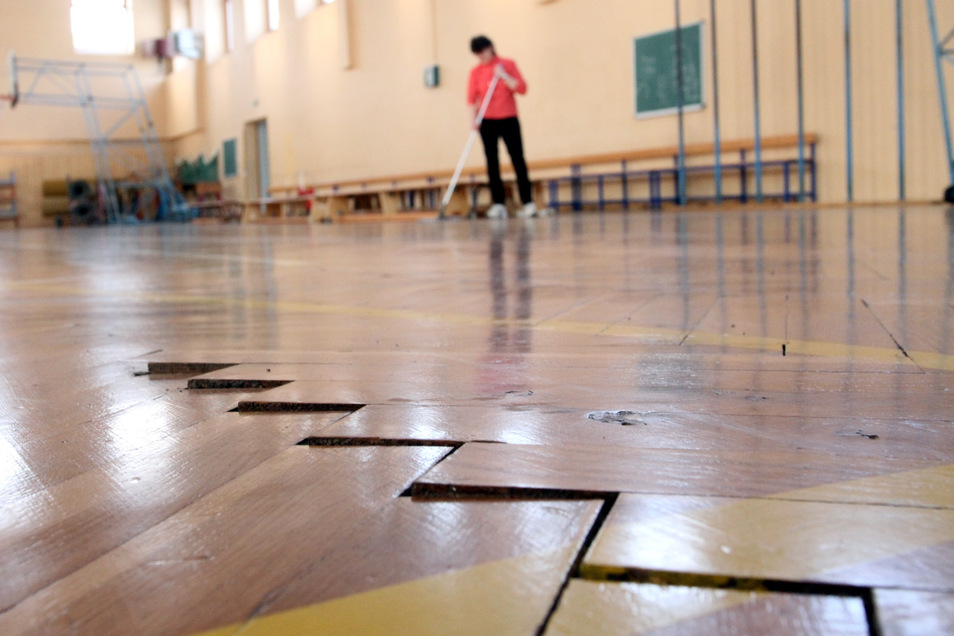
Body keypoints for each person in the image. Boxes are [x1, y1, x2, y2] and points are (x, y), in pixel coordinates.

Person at [467, 35, 549, 219]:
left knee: (518, 159)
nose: (481, 57)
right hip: (487, 121)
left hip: (509, 118)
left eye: (482, 52)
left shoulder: (507, 64)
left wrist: (503, 75)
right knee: (491, 162)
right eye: (477, 54)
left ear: (490, 48)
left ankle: (528, 203)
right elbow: (471, 99)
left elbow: (522, 89)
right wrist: (473, 120)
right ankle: (498, 204)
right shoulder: (475, 72)